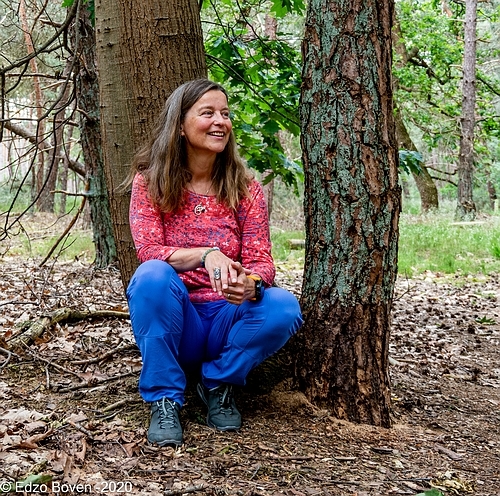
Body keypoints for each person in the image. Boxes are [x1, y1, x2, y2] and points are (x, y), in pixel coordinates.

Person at [125, 78, 303, 447]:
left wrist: (251, 284)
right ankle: (164, 398)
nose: (220, 121)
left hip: (228, 318)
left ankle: (218, 383)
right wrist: (206, 254)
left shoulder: (245, 187)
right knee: (151, 276)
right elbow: (149, 251)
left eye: (225, 113)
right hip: (180, 321)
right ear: (180, 125)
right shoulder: (150, 183)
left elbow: (261, 260)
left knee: (283, 306)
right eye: (207, 113)